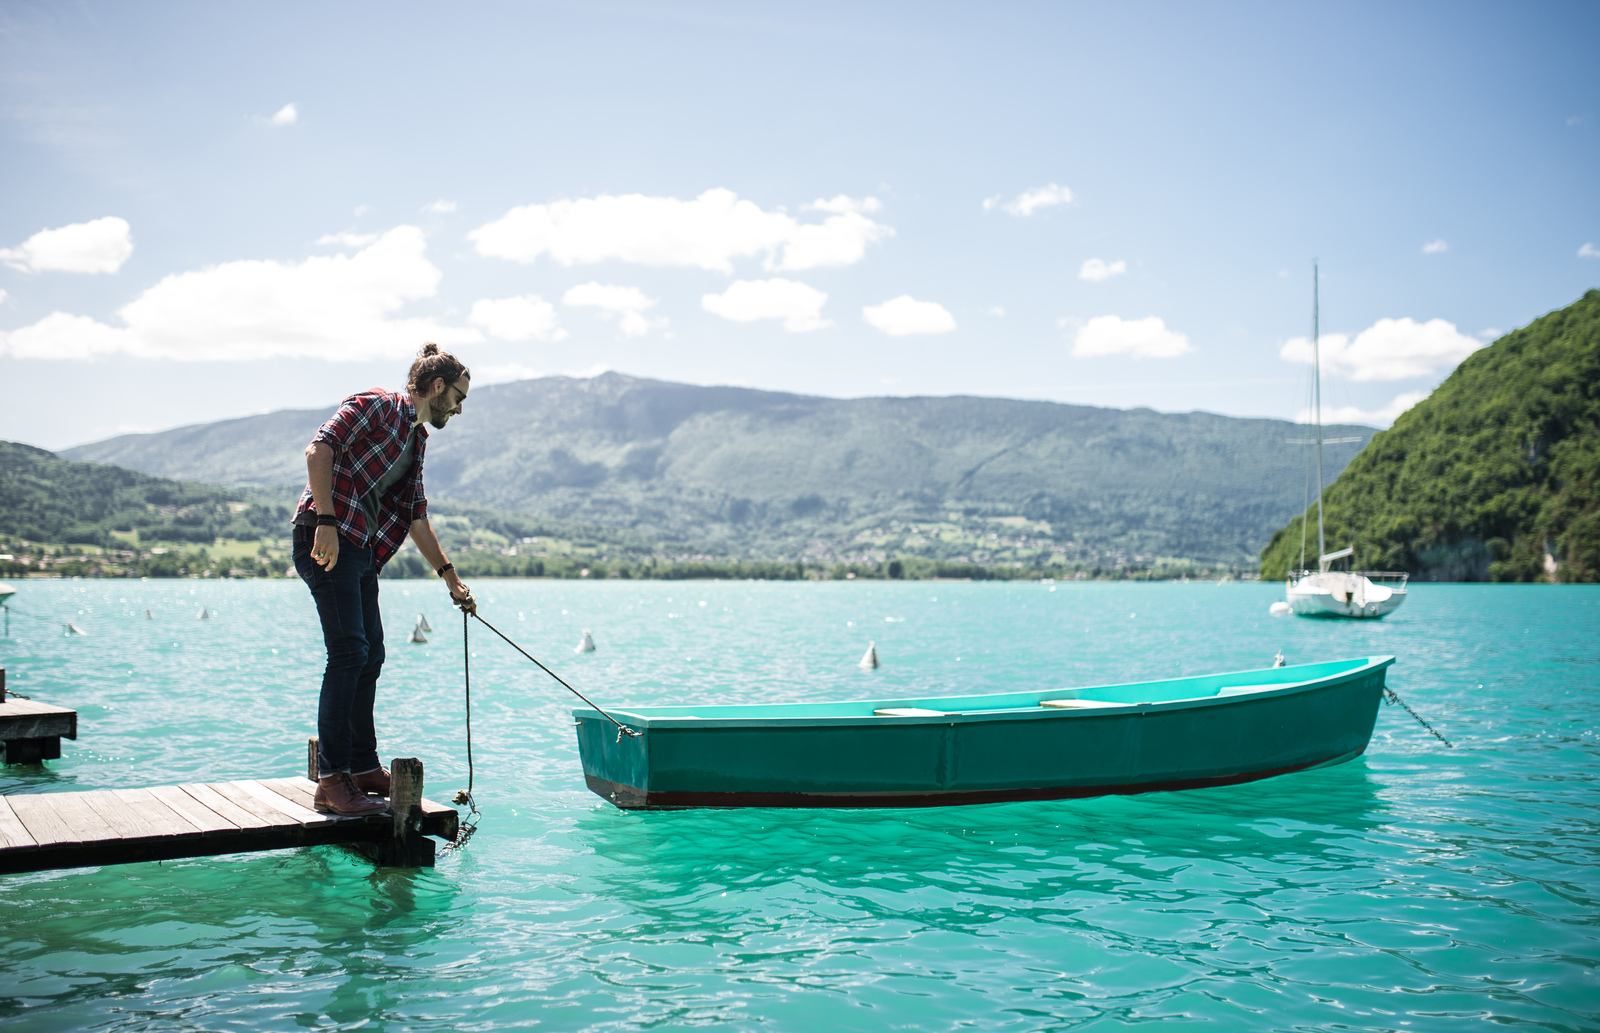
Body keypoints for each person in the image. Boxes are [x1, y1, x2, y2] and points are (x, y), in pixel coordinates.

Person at [292, 343, 477, 816]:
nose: (459, 409)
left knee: (370, 653)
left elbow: (416, 517)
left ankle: (361, 766)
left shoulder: (416, 441)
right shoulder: (377, 405)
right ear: (437, 386)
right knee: (349, 652)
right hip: (325, 535)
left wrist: (451, 579)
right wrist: (326, 521)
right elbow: (318, 450)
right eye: (458, 397)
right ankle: (332, 781)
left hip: (360, 548)